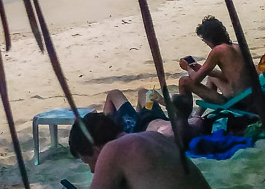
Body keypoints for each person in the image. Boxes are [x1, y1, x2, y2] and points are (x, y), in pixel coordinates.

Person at [68, 112, 212, 189]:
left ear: (96, 150)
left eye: (88, 162)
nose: (93, 171)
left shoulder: (112, 150)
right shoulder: (154, 137)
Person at [177, 16, 254, 108]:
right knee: (212, 77)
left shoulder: (218, 50)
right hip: (251, 94)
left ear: (209, 39)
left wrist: (188, 68)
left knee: (184, 81)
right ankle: (198, 115)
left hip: (240, 101)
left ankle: (184, 117)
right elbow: (229, 76)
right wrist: (200, 69)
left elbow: (195, 80)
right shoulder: (237, 46)